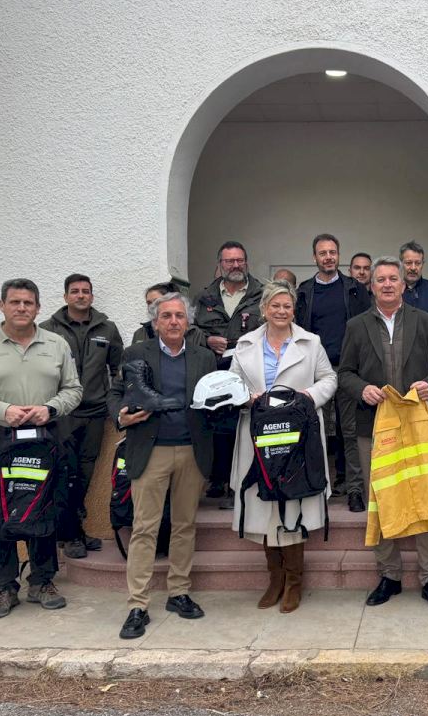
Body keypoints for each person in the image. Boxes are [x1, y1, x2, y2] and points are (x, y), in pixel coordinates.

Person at [0, 278, 83, 619]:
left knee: (44, 506)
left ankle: (42, 581)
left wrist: (50, 408)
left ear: (38, 307)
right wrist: (3, 410)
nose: (21, 308)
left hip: (45, 438)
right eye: (15, 302)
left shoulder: (56, 344)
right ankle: (5, 586)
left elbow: (73, 390)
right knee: (2, 509)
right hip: (0, 439)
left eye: (28, 303)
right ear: (2, 306)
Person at [338, 256, 428, 612]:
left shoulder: (425, 320)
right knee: (380, 497)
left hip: (417, 424)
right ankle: (389, 575)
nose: (387, 284)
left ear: (404, 285)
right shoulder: (356, 325)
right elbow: (344, 372)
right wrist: (362, 389)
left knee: (426, 496)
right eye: (380, 279)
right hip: (373, 425)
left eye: (393, 279)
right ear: (371, 286)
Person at [108, 292, 217, 640]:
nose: (173, 321)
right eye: (166, 316)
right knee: (145, 528)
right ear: (155, 322)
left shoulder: (204, 357)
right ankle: (137, 605)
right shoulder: (135, 354)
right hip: (150, 450)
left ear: (188, 323)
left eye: (179, 316)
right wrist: (121, 416)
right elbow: (115, 393)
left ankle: (178, 592)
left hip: (191, 451)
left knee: (185, 525)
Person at [230, 280, 336, 613]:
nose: (281, 311)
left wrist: (307, 397)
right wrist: (247, 398)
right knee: (263, 506)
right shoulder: (245, 344)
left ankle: (293, 582)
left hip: (297, 437)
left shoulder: (310, 342)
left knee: (292, 503)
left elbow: (329, 379)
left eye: (286, 306)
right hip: (258, 435)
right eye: (275, 306)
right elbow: (232, 383)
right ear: (264, 309)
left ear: (294, 310)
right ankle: (274, 579)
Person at [39, 273, 123, 558]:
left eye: (85, 291)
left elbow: (118, 370)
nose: (80, 295)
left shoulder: (107, 328)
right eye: (74, 291)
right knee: (65, 472)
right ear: (65, 296)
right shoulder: (47, 329)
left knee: (85, 473)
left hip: (95, 413)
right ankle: (71, 534)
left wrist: (115, 403)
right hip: (62, 413)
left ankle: (73, 530)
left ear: (92, 296)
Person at [294, 233, 371, 512]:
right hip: (315, 371)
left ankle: (355, 489)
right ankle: (316, 487)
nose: (328, 257)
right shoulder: (304, 292)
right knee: (313, 430)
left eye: (332, 252)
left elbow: (367, 328)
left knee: (350, 432)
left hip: (349, 370)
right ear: (314, 257)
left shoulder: (355, 289)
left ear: (339, 255)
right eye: (322, 253)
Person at [194, 242, 265, 504]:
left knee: (244, 426)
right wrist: (207, 340)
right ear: (220, 264)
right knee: (217, 427)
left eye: (239, 260)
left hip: (249, 370)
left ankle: (242, 482)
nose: (235, 265)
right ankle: (218, 478)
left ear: (246, 262)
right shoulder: (205, 296)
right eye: (229, 261)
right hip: (214, 370)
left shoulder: (261, 293)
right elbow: (190, 328)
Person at [132, 281, 209, 348]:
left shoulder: (193, 333)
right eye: (149, 303)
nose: (151, 307)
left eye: (156, 302)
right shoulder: (141, 333)